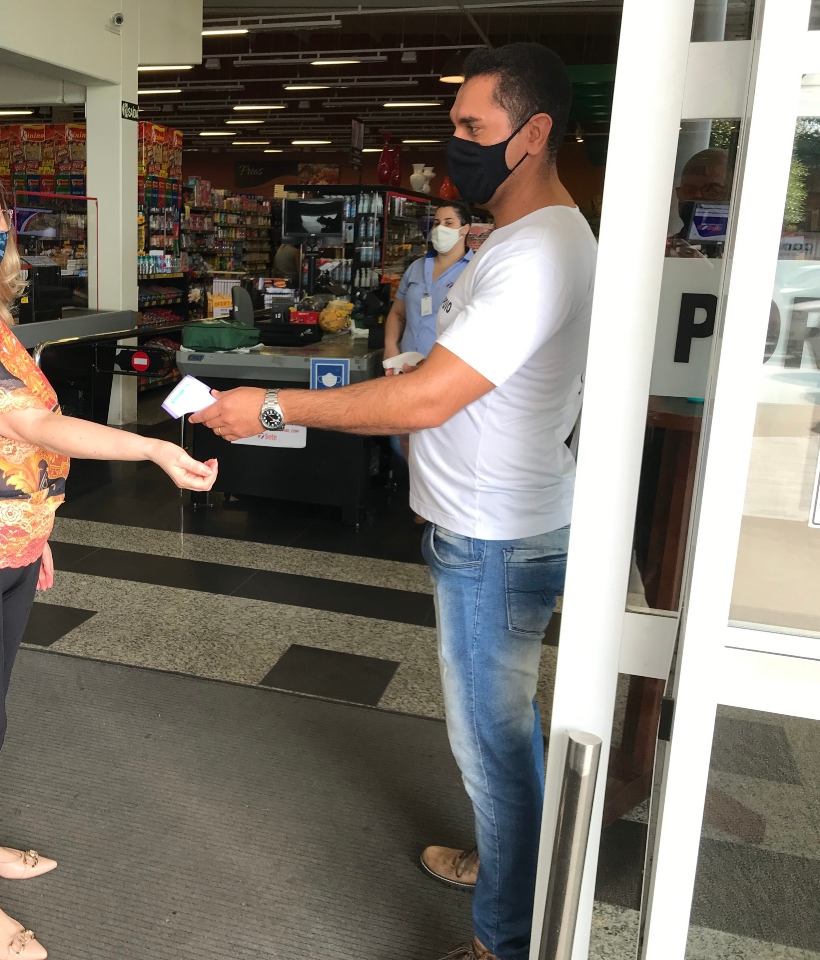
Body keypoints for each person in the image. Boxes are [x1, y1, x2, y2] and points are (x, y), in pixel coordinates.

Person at [192, 42, 595, 960]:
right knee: (503, 734)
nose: (454, 145)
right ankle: (506, 868)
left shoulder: (535, 253)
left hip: (495, 537)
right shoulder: (523, 241)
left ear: (534, 133)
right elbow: (464, 384)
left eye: (472, 127)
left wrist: (273, 407)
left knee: (493, 747)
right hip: (492, 519)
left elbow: (426, 401)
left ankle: (503, 941)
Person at [0, 156, 217, 960]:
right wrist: (150, 446)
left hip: (8, 550)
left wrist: (36, 536)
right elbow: (31, 428)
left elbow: (8, 455)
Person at [384, 200, 475, 516]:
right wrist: (390, 346)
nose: (441, 229)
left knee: (442, 435)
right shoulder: (416, 268)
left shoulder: (474, 270)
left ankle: (436, 504)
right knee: (402, 436)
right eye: (437, 222)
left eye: (449, 223)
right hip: (407, 364)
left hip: (447, 369)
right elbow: (397, 313)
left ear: (465, 229)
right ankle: (422, 495)